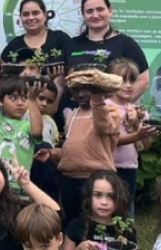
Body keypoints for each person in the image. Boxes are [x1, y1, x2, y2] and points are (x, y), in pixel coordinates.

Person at [44, 83, 121, 227]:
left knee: (96, 221)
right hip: (69, 178)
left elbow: (104, 126)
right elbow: (71, 148)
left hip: (97, 178)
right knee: (71, 221)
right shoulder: (72, 115)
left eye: (86, 89)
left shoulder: (110, 111)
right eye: (75, 90)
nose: (80, 94)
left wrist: (97, 99)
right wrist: (51, 154)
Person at [63, 0, 149, 99]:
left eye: (100, 9)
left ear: (110, 11)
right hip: (74, 108)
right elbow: (63, 81)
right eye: (89, 11)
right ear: (83, 15)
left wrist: (120, 105)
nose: (95, 15)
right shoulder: (71, 45)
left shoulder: (126, 44)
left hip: (109, 109)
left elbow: (143, 80)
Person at [106, 58, 159, 214]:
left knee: (127, 209)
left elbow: (146, 145)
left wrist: (136, 123)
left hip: (129, 168)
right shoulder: (104, 108)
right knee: (106, 208)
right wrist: (137, 135)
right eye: (123, 80)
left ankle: (128, 230)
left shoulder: (138, 111)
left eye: (132, 80)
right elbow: (111, 140)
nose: (128, 85)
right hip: (106, 166)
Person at [0, 75, 43, 184]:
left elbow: (37, 131)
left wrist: (33, 100)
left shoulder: (28, 126)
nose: (20, 103)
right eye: (13, 98)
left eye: (25, 98)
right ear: (0, 101)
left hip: (17, 186)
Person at [0, 0, 71, 85]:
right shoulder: (14, 46)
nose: (30, 17)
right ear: (20, 18)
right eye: (26, 14)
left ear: (45, 15)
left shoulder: (60, 39)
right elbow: (4, 79)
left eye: (35, 13)